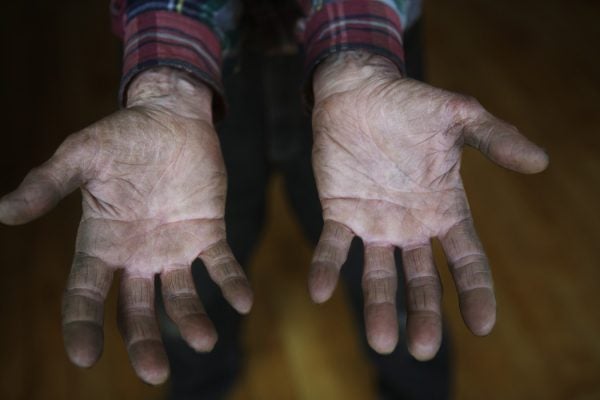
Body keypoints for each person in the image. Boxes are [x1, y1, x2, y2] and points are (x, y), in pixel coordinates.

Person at [0, 0, 549, 399]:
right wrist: (169, 85)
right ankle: (200, 387)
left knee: (390, 253)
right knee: (185, 260)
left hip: (366, 53)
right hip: (199, 65)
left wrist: (357, 55)